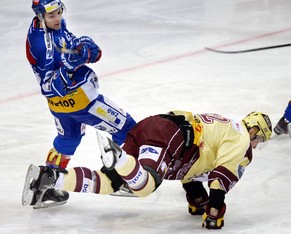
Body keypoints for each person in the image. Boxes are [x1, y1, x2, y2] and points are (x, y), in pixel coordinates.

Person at [24, 110, 272, 229]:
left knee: (110, 182)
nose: (256, 147)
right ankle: (119, 159)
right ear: (254, 131)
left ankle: (51, 178)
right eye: (259, 140)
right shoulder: (241, 141)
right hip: (171, 135)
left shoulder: (228, 129)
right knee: (145, 186)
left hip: (155, 127)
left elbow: (194, 174)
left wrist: (199, 203)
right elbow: (220, 180)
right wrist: (214, 214)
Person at [25, 0, 136, 203]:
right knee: (128, 130)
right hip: (83, 102)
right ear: (40, 16)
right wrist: (69, 67)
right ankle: (123, 179)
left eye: (59, 12)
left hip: (61, 108)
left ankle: (45, 187)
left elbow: (69, 51)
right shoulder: (42, 46)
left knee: (68, 141)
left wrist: (81, 50)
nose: (57, 18)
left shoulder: (51, 26)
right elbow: (48, 87)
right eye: (52, 16)